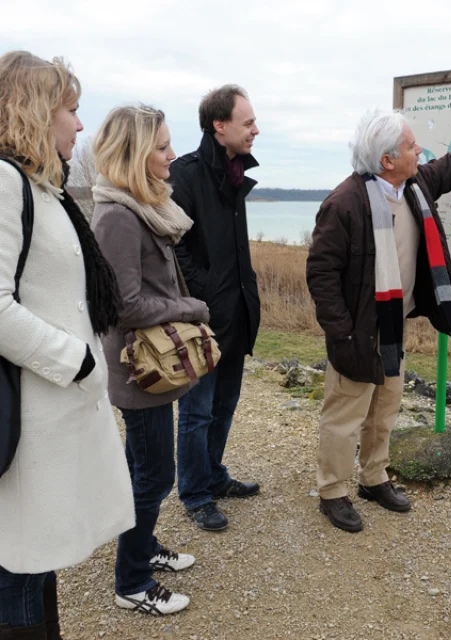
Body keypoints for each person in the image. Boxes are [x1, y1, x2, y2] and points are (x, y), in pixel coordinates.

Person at [306, 108, 451, 532]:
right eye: (412, 146)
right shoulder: (344, 204)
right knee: (344, 417)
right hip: (357, 333)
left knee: (385, 408)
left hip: (393, 325)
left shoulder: (414, 186)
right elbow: (320, 275)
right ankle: (332, 492)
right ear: (387, 160)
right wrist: (342, 333)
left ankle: (373, 478)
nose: (420, 151)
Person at [0, 51, 135, 639]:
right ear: (35, 109)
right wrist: (78, 362)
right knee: (19, 572)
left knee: (37, 566)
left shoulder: (39, 185)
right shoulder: (6, 182)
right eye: (72, 110)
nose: (81, 126)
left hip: (49, 414)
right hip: (31, 416)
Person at [92, 105, 210, 615]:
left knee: (141, 468)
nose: (172, 154)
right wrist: (192, 307)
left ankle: (143, 546)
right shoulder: (119, 216)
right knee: (154, 476)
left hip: (150, 369)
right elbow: (126, 305)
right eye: (162, 146)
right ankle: (132, 582)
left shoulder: (139, 207)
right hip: (140, 373)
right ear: (137, 153)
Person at [169, 84, 261, 532]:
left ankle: (213, 474)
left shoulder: (236, 172)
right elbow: (175, 247)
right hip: (202, 317)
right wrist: (203, 293)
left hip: (238, 313)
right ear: (218, 125)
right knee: (198, 410)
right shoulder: (184, 175)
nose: (255, 131)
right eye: (248, 123)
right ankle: (195, 493)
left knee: (225, 403)